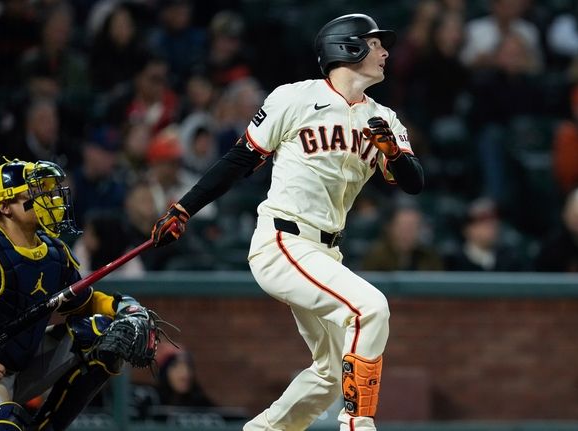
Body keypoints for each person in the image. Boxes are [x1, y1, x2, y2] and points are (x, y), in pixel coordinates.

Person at [151, 13, 424, 431]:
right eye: (374, 43)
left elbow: (413, 183)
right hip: (283, 240)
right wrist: (185, 206)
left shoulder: (384, 119)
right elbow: (242, 157)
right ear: (346, 47)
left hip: (327, 252)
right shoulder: (295, 98)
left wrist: (395, 153)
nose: (385, 51)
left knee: (331, 374)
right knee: (371, 309)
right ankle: (357, 425)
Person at [0, 159, 160, 430]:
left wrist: (124, 307)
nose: (48, 199)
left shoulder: (55, 253)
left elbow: (85, 302)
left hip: (14, 365)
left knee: (100, 334)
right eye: (35, 194)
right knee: (5, 424)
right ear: (4, 207)